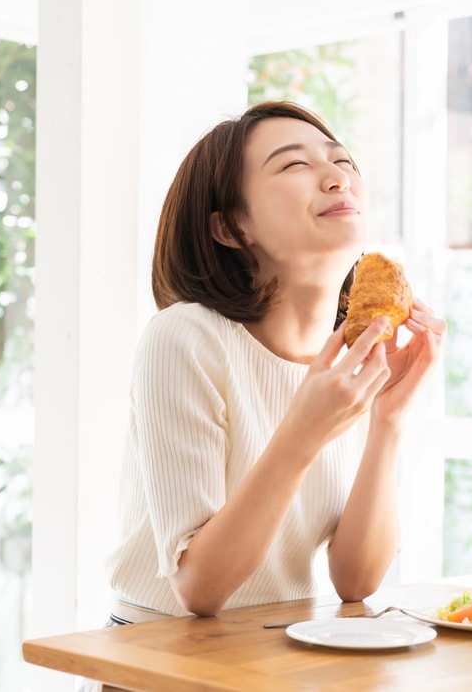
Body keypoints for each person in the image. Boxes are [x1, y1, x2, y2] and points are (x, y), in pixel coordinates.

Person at [105, 100, 446, 625]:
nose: (337, 179)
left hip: (282, 654)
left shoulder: (349, 360)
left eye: (343, 161)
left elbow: (356, 581)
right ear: (233, 228)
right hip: (159, 659)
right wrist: (303, 433)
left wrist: (387, 420)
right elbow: (198, 586)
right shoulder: (186, 338)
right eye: (294, 165)